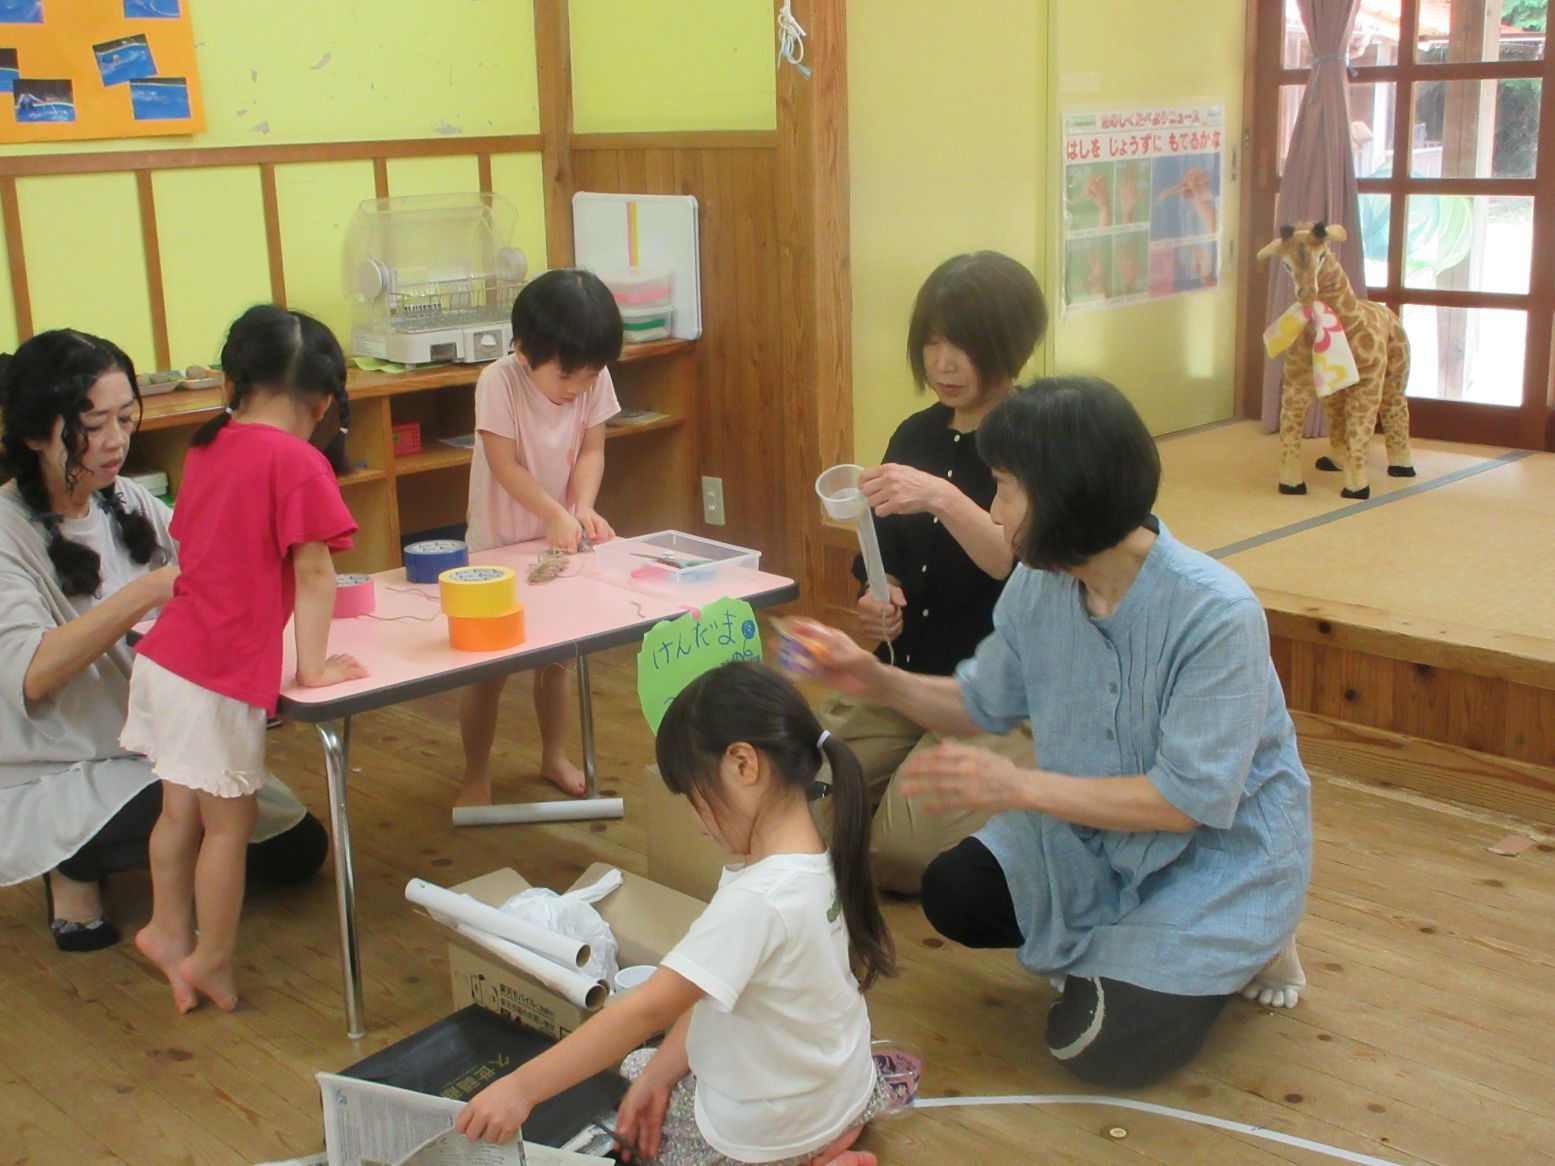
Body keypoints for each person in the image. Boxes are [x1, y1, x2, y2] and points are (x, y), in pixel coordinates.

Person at [791, 377, 1312, 1087]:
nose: (993, 511)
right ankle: (1130, 955)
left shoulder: (1216, 613)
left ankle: (1251, 940)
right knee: (954, 889)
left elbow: (1183, 803)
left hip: (1210, 858)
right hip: (1094, 836)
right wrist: (868, 676)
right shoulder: (1041, 584)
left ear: (1067, 494)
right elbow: (979, 703)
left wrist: (1019, 786)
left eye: (1005, 489)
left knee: (1094, 1048)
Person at [456, 661, 899, 1166]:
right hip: (841, 1085)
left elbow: (646, 1010)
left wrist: (520, 1089)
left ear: (743, 765)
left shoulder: (758, 898)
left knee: (639, 1122)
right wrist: (658, 1076)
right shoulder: (812, 852)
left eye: (694, 796)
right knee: (645, 1069)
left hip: (775, 1127)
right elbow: (709, 987)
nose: (696, 820)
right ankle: (828, 1143)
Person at [0, 328, 328, 954]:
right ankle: (72, 867)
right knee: (199, 817)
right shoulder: (6, 531)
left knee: (298, 850)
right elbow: (32, 675)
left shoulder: (124, 499)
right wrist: (152, 589)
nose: (116, 441)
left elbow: (211, 584)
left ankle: (152, 893)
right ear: (37, 432)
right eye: (93, 425)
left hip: (158, 735)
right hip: (61, 763)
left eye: (126, 419)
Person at [124, 305, 366, 1012]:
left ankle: (168, 932)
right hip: (215, 674)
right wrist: (313, 670)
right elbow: (315, 575)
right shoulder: (298, 461)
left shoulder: (208, 446)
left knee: (179, 815)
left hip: (165, 659)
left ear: (234, 382)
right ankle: (212, 957)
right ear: (321, 401)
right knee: (230, 827)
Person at [820, 251, 1046, 894]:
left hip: (994, 695)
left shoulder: (1036, 435)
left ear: (1010, 344)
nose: (943, 364)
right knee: (799, 808)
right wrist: (878, 593)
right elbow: (881, 551)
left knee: (899, 855)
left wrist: (942, 496)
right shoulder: (916, 434)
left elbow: (1017, 565)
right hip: (906, 671)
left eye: (963, 346)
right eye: (932, 342)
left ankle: (1036, 791)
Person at [458, 269, 623, 806]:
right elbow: (504, 464)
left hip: (558, 541)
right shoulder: (498, 381)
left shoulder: (593, 376)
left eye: (588, 376)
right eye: (566, 376)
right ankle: (475, 775)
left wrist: (583, 507)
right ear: (524, 351)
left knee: (556, 662)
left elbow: (592, 449)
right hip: (498, 543)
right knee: (487, 671)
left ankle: (554, 755)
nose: (576, 388)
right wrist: (555, 513)